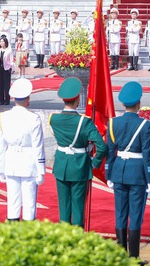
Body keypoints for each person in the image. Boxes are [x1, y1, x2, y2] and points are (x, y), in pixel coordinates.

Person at [105, 82, 150, 261]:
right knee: (135, 215)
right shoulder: (145, 125)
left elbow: (110, 152)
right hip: (137, 174)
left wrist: (108, 173)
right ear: (138, 103)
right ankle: (133, 257)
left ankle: (120, 256)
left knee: (120, 213)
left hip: (118, 171)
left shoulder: (113, 123)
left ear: (124, 104)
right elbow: (148, 154)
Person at [48, 77, 107, 226]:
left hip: (61, 166)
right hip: (80, 167)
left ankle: (65, 240)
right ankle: (77, 241)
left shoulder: (53, 119)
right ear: (78, 99)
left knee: (64, 208)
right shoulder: (84, 122)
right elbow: (101, 146)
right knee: (78, 209)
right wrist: (95, 163)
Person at [0, 78, 45, 222]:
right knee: (29, 203)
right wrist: (41, 170)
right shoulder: (33, 118)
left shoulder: (3, 117)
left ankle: (13, 236)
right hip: (29, 163)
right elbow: (38, 146)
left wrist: (0, 168)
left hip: (11, 162)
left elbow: (0, 145)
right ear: (28, 98)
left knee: (12, 202)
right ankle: (28, 238)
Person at [0, 37, 13, 106]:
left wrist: (12, 68)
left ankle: (7, 99)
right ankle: (1, 99)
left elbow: (11, 60)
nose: (1, 43)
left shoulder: (9, 51)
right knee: (0, 84)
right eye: (0, 42)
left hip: (6, 68)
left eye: (3, 42)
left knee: (6, 85)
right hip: (0, 68)